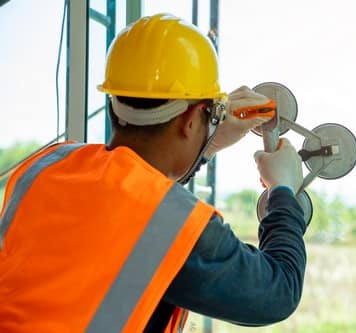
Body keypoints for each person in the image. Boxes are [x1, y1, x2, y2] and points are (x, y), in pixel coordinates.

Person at [0, 13, 307, 332]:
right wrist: (283, 191)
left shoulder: (48, 166)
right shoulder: (170, 226)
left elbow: (130, 195)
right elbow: (278, 291)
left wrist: (205, 142)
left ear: (112, 103)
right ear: (190, 120)